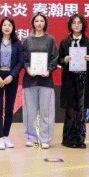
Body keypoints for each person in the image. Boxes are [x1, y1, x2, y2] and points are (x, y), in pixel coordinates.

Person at [58, 13, 89, 149]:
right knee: (70, 110)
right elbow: (59, 60)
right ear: (70, 25)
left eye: (79, 23)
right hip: (69, 79)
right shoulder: (64, 42)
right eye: (74, 22)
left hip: (83, 80)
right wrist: (64, 60)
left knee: (81, 110)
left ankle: (80, 139)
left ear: (83, 25)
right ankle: (68, 140)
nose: (76, 25)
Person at [22, 12, 59, 149]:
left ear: (45, 23)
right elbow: (23, 58)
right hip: (30, 80)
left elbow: (55, 58)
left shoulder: (50, 39)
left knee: (46, 112)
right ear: (33, 23)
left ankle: (45, 139)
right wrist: (28, 69)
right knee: (29, 112)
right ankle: (31, 137)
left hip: (46, 81)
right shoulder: (27, 40)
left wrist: (49, 70)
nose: (39, 23)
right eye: (36, 21)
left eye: (41, 21)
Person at [0, 17, 23, 150]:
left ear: (13, 28)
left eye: (9, 25)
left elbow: (20, 62)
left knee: (9, 108)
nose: (7, 27)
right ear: (1, 27)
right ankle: (0, 138)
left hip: (11, 78)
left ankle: (6, 136)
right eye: (4, 25)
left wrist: (12, 76)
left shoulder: (17, 43)